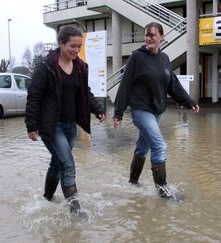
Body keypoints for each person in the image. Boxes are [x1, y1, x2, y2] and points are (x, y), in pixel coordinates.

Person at [113, 22, 200, 199]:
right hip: (140, 110)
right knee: (159, 146)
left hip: (157, 111)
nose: (148, 38)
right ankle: (163, 190)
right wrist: (118, 112)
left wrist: (190, 102)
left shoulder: (164, 58)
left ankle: (133, 182)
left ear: (161, 37)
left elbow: (173, 84)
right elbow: (125, 85)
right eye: (146, 35)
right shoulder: (137, 57)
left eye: (152, 35)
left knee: (142, 148)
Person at [25, 26, 106, 214]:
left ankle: (46, 199)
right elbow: (34, 96)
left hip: (71, 125)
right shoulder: (46, 67)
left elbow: (85, 93)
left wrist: (97, 109)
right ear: (61, 43)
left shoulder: (80, 67)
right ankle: (75, 210)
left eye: (79, 46)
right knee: (68, 164)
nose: (76, 51)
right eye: (72, 46)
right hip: (52, 126)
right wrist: (31, 124)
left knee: (57, 162)